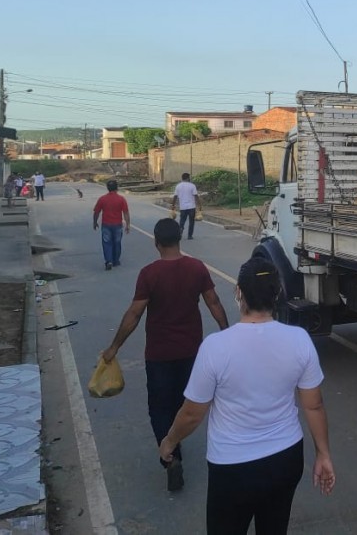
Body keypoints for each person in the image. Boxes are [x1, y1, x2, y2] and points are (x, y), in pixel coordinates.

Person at [160, 256, 335, 533]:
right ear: (277, 293)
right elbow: (314, 406)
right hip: (285, 459)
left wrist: (169, 441)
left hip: (232, 467)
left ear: (239, 292)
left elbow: (192, 413)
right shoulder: (299, 339)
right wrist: (323, 455)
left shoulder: (216, 347)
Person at [101, 218, 229, 493]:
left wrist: (114, 347)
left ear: (156, 242)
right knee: (183, 402)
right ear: (179, 238)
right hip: (191, 352)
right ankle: (174, 443)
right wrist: (228, 334)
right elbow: (214, 303)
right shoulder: (197, 268)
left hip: (159, 354)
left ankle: (171, 456)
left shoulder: (149, 274)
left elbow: (134, 314)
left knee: (159, 406)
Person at [93, 179, 131, 270]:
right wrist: (128, 224)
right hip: (117, 225)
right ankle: (116, 260)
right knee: (117, 242)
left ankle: (108, 261)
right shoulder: (121, 199)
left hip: (106, 224)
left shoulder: (102, 199)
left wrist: (95, 222)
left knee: (107, 243)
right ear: (117, 188)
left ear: (107, 188)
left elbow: (96, 212)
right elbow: (126, 213)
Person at [171, 172, 200, 240]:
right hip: (191, 207)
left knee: (182, 220)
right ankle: (190, 235)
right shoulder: (192, 185)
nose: (190, 178)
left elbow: (175, 196)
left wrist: (173, 205)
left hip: (183, 207)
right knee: (191, 222)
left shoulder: (178, 186)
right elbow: (196, 196)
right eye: (189, 177)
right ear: (187, 178)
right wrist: (199, 205)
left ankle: (181, 229)